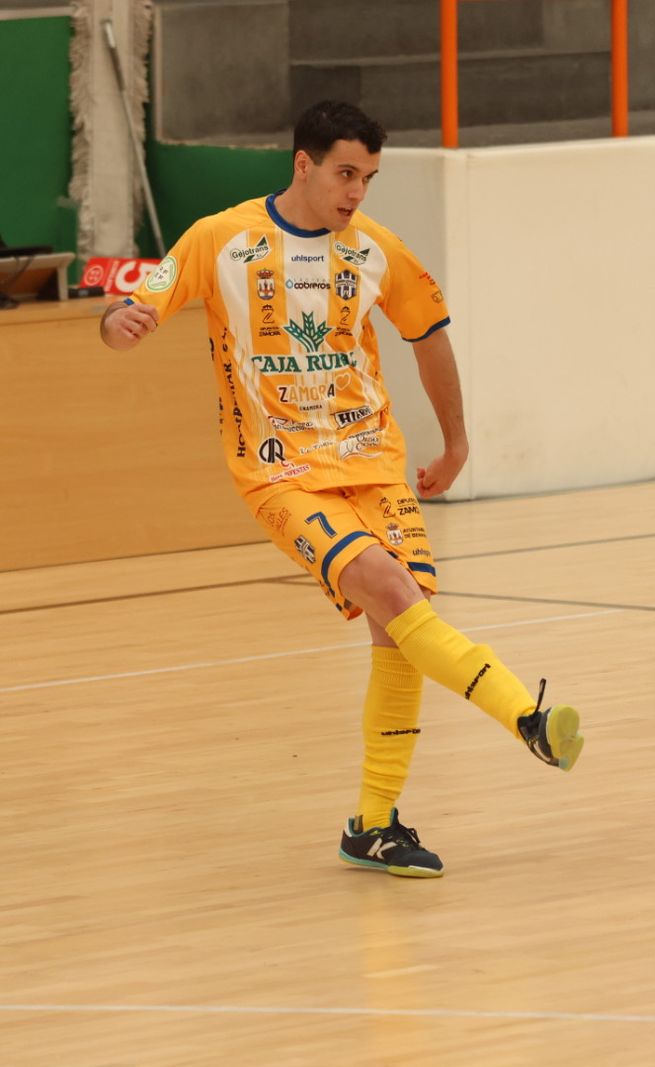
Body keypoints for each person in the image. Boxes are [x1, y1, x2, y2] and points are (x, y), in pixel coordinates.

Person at [97, 101, 584, 879]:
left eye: (369, 178)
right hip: (280, 472)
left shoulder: (375, 250)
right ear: (304, 163)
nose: (358, 191)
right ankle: (523, 714)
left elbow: (429, 338)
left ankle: (373, 825)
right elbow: (136, 299)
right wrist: (121, 321)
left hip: (376, 465)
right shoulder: (218, 240)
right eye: (346, 173)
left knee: (398, 629)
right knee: (394, 589)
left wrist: (456, 443)